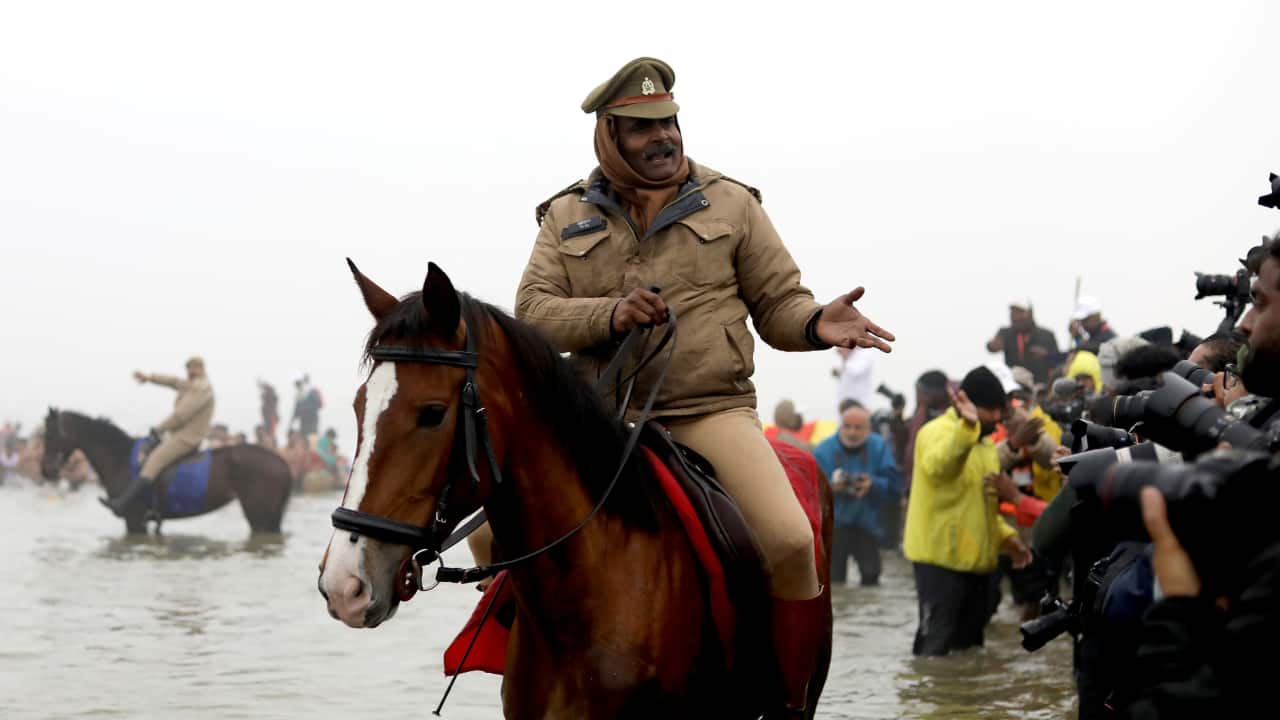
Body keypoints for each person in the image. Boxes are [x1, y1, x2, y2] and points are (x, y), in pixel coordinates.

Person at [515, 56, 895, 715]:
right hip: (600, 419)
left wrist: (814, 323)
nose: (663, 138)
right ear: (610, 135)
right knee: (494, 539)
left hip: (707, 409)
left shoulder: (733, 202)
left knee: (789, 540)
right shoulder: (564, 215)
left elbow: (779, 304)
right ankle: (531, 687)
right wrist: (607, 314)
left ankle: (786, 701)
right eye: (642, 128)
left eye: (670, 123)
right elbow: (532, 316)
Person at [902, 366, 1031, 656]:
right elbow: (940, 466)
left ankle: (965, 702)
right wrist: (967, 430)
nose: (997, 417)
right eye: (990, 410)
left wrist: (1007, 538)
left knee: (970, 650)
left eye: (1000, 410)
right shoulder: (934, 432)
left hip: (977, 563)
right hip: (939, 561)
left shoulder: (986, 445)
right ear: (966, 403)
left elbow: (982, 504)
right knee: (933, 649)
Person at [104, 356, 215, 515]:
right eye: (188, 368)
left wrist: (158, 429)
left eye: (193, 368)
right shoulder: (191, 385)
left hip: (189, 437)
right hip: (179, 433)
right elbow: (173, 381)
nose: (190, 371)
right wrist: (149, 378)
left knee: (154, 461)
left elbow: (181, 415)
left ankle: (123, 502)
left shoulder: (201, 388)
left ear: (201, 369)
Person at [812, 401, 900, 586]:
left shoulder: (878, 447)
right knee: (833, 581)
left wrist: (872, 484)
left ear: (868, 429)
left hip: (867, 524)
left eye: (858, 427)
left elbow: (894, 485)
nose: (852, 432)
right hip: (834, 526)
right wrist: (831, 486)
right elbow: (811, 489)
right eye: (847, 426)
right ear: (840, 426)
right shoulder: (823, 450)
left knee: (872, 576)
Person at [986, 299, 1060, 383]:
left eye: (1020, 313)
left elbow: (1058, 361)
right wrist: (991, 345)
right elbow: (992, 347)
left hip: (1040, 386)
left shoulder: (1046, 335)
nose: (1015, 317)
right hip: (1014, 385)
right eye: (1013, 313)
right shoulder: (1005, 333)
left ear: (1029, 314)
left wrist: (1047, 354)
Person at [833, 346, 875, 412]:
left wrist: (845, 355)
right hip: (844, 403)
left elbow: (856, 371)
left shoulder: (865, 352)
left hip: (859, 403)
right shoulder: (849, 355)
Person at [290, 375, 323, 440]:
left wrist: (305, 408)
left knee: (311, 437)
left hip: (312, 419)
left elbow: (318, 404)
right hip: (304, 420)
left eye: (298, 384)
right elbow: (296, 410)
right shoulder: (299, 394)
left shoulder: (311, 392)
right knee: (304, 438)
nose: (298, 387)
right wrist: (291, 422)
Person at [258, 380, 279, 446]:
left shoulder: (271, 398)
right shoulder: (266, 404)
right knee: (268, 432)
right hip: (268, 418)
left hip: (271, 418)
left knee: (271, 433)